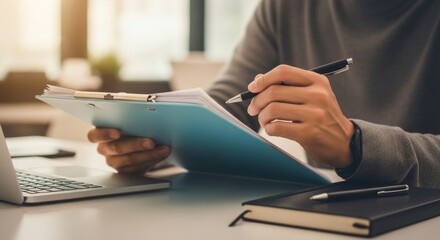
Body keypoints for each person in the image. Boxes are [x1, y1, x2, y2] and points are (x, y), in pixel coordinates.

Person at [87, 0, 440, 188]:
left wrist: (355, 144)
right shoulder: (284, 6)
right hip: (322, 212)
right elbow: (232, 99)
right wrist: (158, 137)